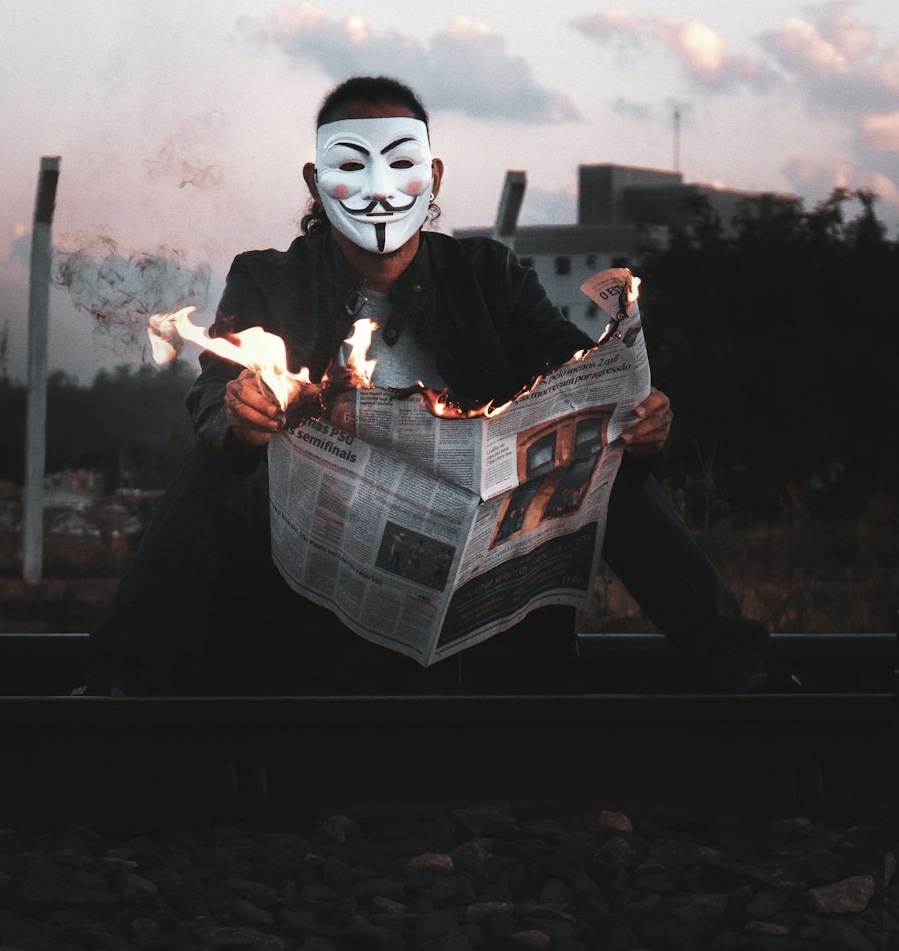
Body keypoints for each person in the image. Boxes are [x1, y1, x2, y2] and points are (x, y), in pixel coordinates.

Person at [77, 76, 771, 697]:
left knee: (606, 461)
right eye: (352, 166)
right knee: (218, 467)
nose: (379, 189)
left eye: (401, 164)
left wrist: (635, 425)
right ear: (317, 180)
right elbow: (214, 391)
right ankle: (119, 684)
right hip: (317, 579)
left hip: (482, 564)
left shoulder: (487, 277)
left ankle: (742, 671)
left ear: (432, 174)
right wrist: (236, 418)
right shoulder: (270, 281)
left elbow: (578, 380)